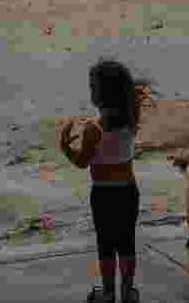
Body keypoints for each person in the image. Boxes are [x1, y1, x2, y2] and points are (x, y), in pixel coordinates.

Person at [60, 59, 152, 303]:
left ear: (99, 95)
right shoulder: (132, 118)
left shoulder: (94, 129)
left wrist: (64, 147)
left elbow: (82, 162)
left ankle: (108, 292)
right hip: (129, 191)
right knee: (127, 241)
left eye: (92, 87)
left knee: (106, 243)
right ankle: (128, 291)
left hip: (103, 194)